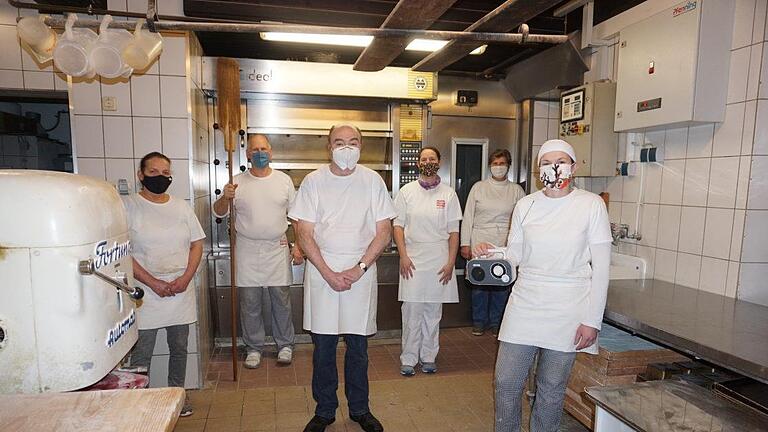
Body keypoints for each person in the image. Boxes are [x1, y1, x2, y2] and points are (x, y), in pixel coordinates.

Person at [474, 139, 612, 432]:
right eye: (547, 162)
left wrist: (592, 321)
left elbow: (601, 269)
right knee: (507, 382)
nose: (555, 167)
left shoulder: (591, 205)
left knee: (550, 389)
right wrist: (493, 253)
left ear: (574, 167)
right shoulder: (526, 205)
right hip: (526, 301)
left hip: (569, 307)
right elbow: (515, 254)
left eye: (561, 161)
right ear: (539, 170)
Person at [289, 123, 396, 432]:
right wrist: (327, 272)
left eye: (353, 142)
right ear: (329, 147)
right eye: (339, 142)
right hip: (322, 275)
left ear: (361, 145)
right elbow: (303, 232)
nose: (346, 148)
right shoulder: (313, 182)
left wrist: (357, 269)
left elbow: (383, 231)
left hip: (360, 276)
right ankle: (324, 411)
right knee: (323, 349)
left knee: (358, 349)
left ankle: (360, 410)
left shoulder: (372, 181)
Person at [124, 152, 205, 417]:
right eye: (153, 172)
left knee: (179, 349)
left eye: (165, 173)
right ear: (141, 175)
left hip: (180, 288)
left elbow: (196, 244)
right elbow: (124, 252)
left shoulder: (181, 206)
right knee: (142, 352)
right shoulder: (128, 206)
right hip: (145, 291)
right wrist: (153, 282)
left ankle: (176, 397)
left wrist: (185, 278)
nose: (160, 177)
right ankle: (138, 403)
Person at [213, 134, 301, 369]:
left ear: (271, 152)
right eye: (255, 149)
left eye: (264, 148)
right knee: (249, 302)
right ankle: (254, 348)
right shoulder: (237, 182)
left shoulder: (283, 181)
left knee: (281, 301)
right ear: (248, 154)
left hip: (277, 247)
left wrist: (299, 246)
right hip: (247, 249)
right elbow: (219, 212)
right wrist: (225, 196)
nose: (260, 153)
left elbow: (297, 217)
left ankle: (285, 345)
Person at [393, 146, 461, 376]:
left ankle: (429, 356)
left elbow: (454, 232)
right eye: (424, 159)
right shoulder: (406, 191)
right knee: (411, 309)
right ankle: (409, 358)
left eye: (432, 158)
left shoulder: (449, 194)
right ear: (418, 163)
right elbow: (398, 227)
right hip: (412, 257)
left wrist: (451, 262)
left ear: (439, 162)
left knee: (433, 311)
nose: (428, 162)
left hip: (438, 258)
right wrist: (403, 256)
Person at [460, 149, 525, 337]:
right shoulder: (478, 188)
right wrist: (466, 244)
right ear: (490, 166)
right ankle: (479, 321)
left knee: (501, 283)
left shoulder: (516, 191)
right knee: (479, 284)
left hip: (504, 243)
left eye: (502, 163)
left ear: (508, 166)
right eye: (495, 164)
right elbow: (468, 217)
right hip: (479, 240)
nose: (498, 167)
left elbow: (523, 222)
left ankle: (497, 322)